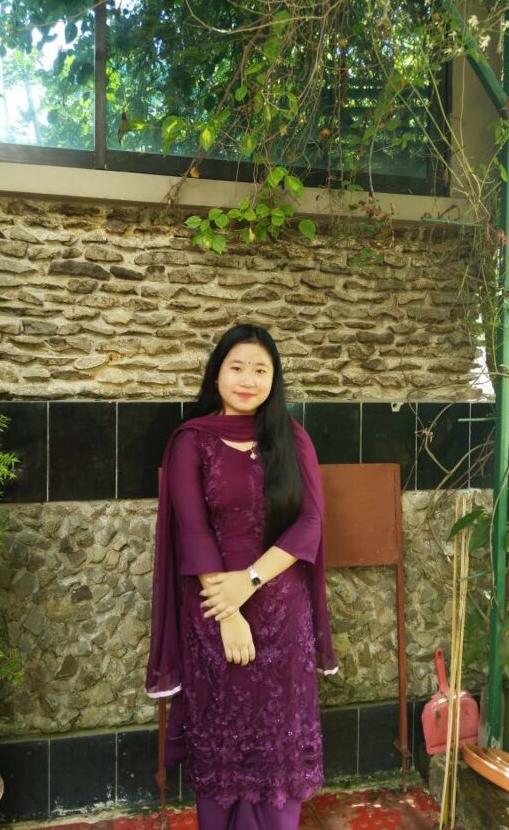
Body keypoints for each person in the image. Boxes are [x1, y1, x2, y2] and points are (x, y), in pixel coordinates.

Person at [145, 324, 338, 830]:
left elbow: (310, 523)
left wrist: (249, 580)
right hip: (214, 613)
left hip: (283, 616)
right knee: (225, 740)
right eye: (237, 368)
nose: (248, 380)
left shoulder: (291, 439)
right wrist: (228, 614)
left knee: (277, 743)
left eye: (260, 370)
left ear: (275, 379)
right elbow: (192, 530)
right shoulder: (192, 441)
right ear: (217, 374)